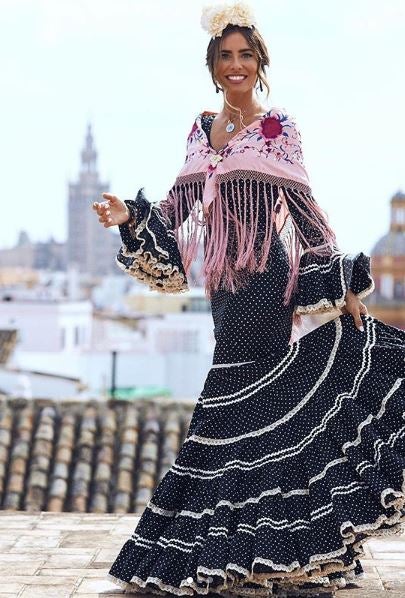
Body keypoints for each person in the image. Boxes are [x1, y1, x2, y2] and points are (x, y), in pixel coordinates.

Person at [92, 3, 405, 596]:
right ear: (213, 66)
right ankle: (276, 552)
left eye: (245, 55)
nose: (235, 65)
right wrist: (129, 216)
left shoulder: (278, 129)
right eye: (225, 56)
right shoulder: (199, 129)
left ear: (259, 64)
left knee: (251, 406)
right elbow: (175, 214)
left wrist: (342, 289)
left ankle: (283, 551)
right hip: (225, 293)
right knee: (253, 412)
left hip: (269, 284)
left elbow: (310, 219)